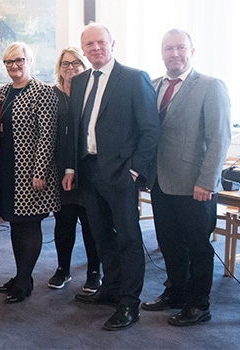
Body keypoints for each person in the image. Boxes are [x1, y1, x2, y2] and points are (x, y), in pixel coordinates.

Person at [64, 23, 160, 331]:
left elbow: (150, 129)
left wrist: (135, 170)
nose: (95, 48)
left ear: (112, 43)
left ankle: (130, 303)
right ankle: (112, 288)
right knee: (101, 235)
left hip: (120, 174)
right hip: (88, 171)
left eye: (100, 42)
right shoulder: (78, 81)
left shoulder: (134, 78)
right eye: (88, 44)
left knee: (129, 239)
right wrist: (70, 168)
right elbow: (76, 131)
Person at [141, 29, 230, 327]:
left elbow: (218, 138)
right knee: (168, 242)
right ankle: (176, 291)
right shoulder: (153, 85)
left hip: (195, 184)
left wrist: (208, 180)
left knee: (198, 247)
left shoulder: (210, 86)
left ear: (192, 51)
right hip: (160, 181)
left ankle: (198, 304)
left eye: (180, 47)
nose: (174, 53)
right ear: (162, 52)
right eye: (168, 48)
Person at [0, 42, 60, 304]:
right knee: (14, 223)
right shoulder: (2, 92)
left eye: (18, 60)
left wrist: (39, 171)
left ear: (29, 60)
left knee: (29, 224)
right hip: (7, 169)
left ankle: (24, 281)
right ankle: (22, 275)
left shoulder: (43, 92)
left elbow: (47, 136)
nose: (13, 66)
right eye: (8, 62)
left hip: (31, 171)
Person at [47, 47, 101, 292]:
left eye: (76, 63)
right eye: (65, 64)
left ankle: (93, 271)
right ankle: (63, 269)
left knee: (91, 223)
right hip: (60, 169)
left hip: (87, 168)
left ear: (85, 66)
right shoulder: (51, 95)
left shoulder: (92, 93)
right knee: (64, 221)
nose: (70, 68)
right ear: (59, 68)